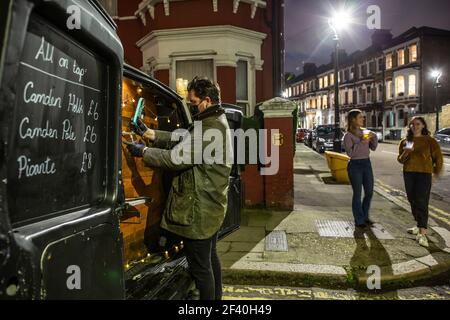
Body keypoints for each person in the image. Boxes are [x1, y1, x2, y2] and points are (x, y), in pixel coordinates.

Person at [125, 76, 232, 300]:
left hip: (200, 211)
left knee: (201, 269)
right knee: (210, 259)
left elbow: (176, 158)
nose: (191, 107)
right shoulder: (212, 121)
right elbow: (183, 138)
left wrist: (143, 152)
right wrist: (149, 133)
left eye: (193, 103)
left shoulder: (209, 128)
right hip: (210, 207)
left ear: (207, 100)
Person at [397, 117, 443, 248]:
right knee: (412, 200)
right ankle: (418, 224)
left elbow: (438, 158)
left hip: (424, 174)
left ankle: (422, 233)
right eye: (412, 124)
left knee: (422, 201)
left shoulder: (430, 141)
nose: (414, 126)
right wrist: (406, 152)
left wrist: (435, 173)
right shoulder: (405, 141)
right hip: (409, 173)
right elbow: (400, 160)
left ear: (423, 126)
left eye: (417, 124)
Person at [343, 109, 378, 229]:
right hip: (355, 165)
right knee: (357, 194)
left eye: (363, 117)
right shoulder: (348, 136)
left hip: (367, 164)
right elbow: (350, 154)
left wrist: (374, 138)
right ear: (353, 119)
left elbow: (373, 148)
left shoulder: (365, 132)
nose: (363, 119)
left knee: (369, 192)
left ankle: (365, 216)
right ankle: (359, 219)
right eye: (360, 117)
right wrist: (362, 142)